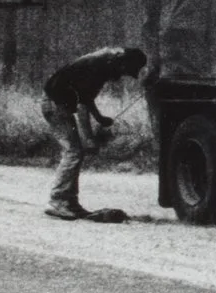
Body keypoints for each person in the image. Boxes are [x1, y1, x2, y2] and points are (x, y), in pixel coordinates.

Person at [41, 45, 148, 222]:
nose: (122, 75)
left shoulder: (102, 62)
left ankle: (69, 202)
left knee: (74, 152)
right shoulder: (97, 66)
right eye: (125, 71)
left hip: (58, 104)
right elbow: (83, 105)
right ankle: (58, 201)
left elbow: (85, 98)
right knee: (73, 152)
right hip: (54, 105)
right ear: (121, 62)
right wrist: (89, 138)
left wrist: (99, 118)